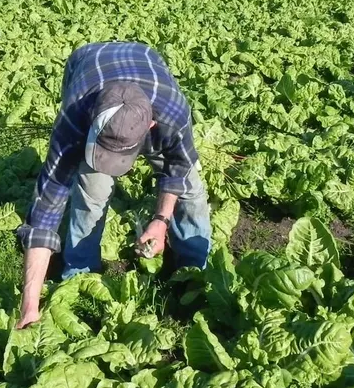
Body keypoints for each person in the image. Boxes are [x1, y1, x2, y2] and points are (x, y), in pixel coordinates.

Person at [16, 41, 212, 329]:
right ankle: (81, 274)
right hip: (87, 62)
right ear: (93, 122)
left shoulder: (172, 113)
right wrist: (29, 306)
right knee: (90, 188)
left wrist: (160, 220)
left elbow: (177, 169)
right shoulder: (75, 115)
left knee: (191, 191)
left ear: (150, 128)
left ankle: (193, 273)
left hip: (145, 60)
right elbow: (47, 208)